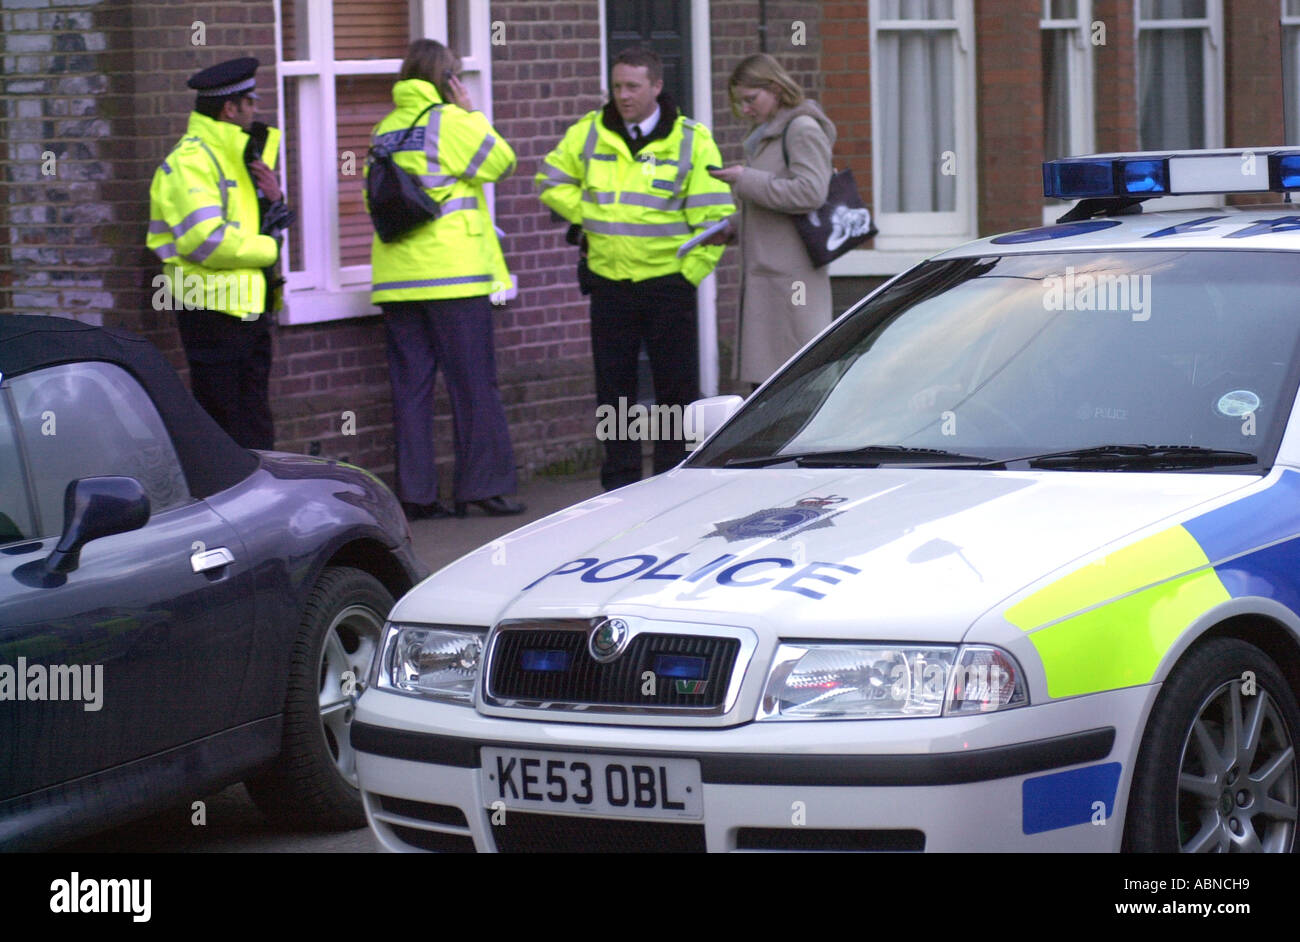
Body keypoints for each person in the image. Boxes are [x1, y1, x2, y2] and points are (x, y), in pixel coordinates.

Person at [536, 46, 735, 491]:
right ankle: (621, 483)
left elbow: (716, 219)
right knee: (614, 393)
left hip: (668, 284)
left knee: (675, 390)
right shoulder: (590, 132)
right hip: (609, 283)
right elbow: (549, 182)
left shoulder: (691, 139)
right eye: (617, 86)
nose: (622, 95)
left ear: (656, 87)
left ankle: (669, 481)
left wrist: (691, 273)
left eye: (632, 86)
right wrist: (591, 214)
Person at [370, 38, 524, 520]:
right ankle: (482, 488)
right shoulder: (451, 122)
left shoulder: (384, 129)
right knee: (473, 385)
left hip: (397, 280)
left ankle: (417, 497)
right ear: (447, 79)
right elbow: (502, 161)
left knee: (411, 391)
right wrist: (472, 111)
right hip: (453, 278)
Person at [147, 57, 292, 450]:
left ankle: (261, 507)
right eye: (252, 101)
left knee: (254, 423)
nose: (256, 108)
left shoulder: (240, 155)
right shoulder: (192, 161)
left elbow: (250, 223)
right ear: (231, 108)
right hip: (212, 315)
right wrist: (269, 248)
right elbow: (205, 240)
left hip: (248, 310)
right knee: (222, 428)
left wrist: (274, 200)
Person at [707, 54, 835, 388]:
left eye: (751, 99)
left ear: (775, 89)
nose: (745, 109)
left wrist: (744, 179)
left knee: (793, 390)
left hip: (791, 286)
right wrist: (732, 227)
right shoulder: (769, 133)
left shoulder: (802, 129)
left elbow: (810, 193)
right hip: (769, 282)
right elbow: (775, 202)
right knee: (768, 392)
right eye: (739, 102)